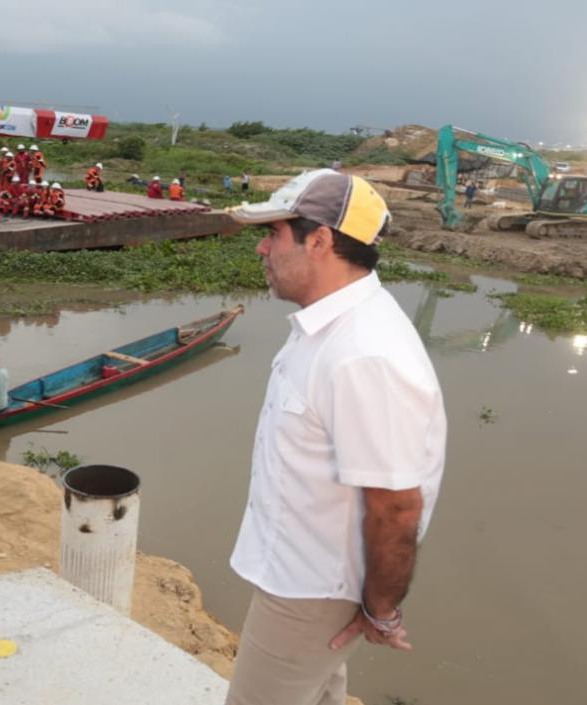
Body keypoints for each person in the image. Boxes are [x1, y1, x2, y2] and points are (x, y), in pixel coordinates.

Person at [223, 168, 446, 705]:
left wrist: (380, 608)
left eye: (273, 233)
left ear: (319, 240)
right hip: (303, 578)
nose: (261, 247)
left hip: (309, 592)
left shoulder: (364, 354)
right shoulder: (330, 329)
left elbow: (396, 506)